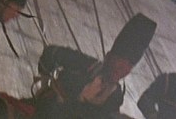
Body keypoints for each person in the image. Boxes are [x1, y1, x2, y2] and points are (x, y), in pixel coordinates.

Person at [29, 13, 157, 119]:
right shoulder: (84, 64)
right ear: (109, 57)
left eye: (128, 67)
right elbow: (51, 53)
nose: (122, 70)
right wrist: (44, 86)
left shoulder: (115, 95)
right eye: (120, 63)